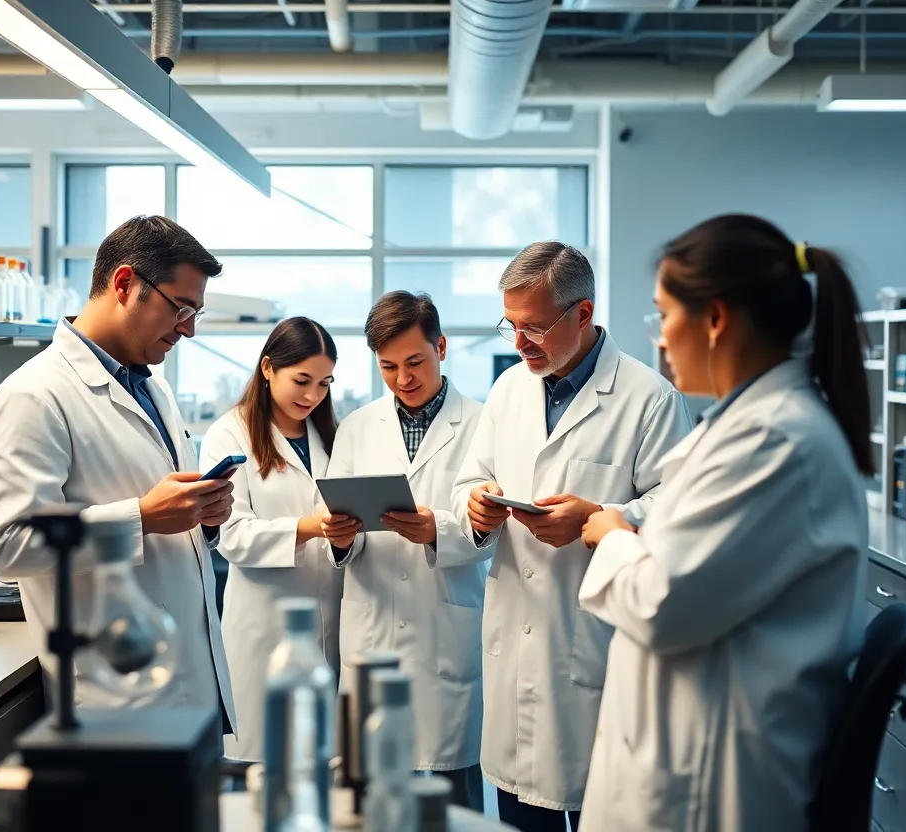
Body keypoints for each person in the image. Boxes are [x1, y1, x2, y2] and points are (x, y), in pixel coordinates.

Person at [578, 214, 873, 831]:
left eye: (664, 315)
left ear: (714, 319)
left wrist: (613, 535)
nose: (660, 338)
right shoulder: (744, 427)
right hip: (690, 745)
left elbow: (662, 604)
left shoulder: (773, 440)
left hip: (709, 780)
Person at [450, 242, 692, 831]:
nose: (519, 343)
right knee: (517, 812)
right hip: (515, 640)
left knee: (598, 810)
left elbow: (678, 509)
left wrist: (597, 518)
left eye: (533, 327)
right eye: (510, 325)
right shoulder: (509, 389)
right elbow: (471, 478)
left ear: (582, 314)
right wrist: (475, 506)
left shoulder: (649, 398)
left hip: (592, 645)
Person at [0, 215, 236, 732]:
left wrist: (203, 517)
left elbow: (167, 515)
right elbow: (8, 545)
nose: (188, 328)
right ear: (124, 284)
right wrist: (142, 517)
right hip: (115, 693)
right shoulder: (33, 395)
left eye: (195, 313)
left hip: (190, 677)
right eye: (181, 307)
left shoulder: (153, 388)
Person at [324, 291, 491, 810]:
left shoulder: (483, 424)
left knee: (452, 800)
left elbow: (496, 529)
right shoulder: (356, 427)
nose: (402, 378)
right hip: (373, 628)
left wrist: (438, 530)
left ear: (441, 347)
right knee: (367, 797)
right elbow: (338, 529)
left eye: (414, 362)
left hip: (447, 630)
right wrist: (340, 538)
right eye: (388, 366)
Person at [198, 317, 350, 762]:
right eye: (301, 381)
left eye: (324, 384)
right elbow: (231, 535)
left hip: (331, 621)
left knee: (323, 765)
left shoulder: (331, 434)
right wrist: (310, 527)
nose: (312, 395)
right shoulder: (230, 433)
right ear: (268, 368)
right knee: (263, 767)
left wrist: (344, 534)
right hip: (263, 626)